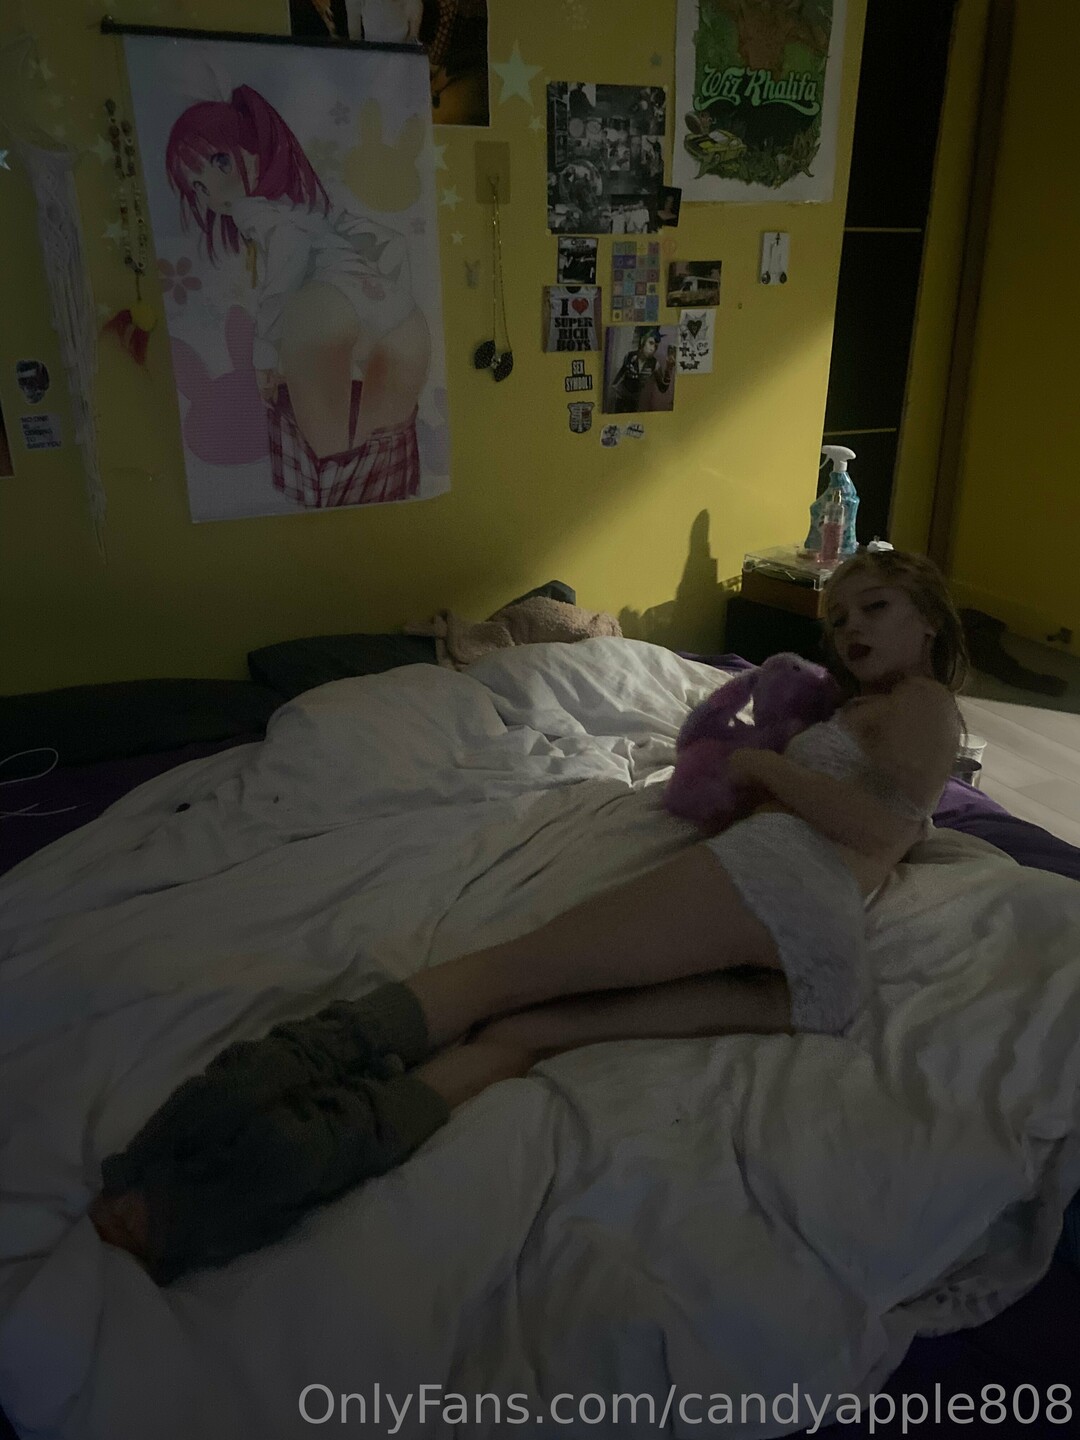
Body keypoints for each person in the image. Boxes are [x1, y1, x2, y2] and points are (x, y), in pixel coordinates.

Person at [89, 550, 969, 1283]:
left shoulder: (924, 702)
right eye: (837, 617)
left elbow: (881, 826)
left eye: (875, 608)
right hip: (813, 962)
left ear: (929, 620)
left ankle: (178, 1179)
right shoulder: (866, 709)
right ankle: (223, 1192)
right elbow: (881, 819)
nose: (850, 628)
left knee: (486, 980)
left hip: (781, 886)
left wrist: (764, 771)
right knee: (520, 1038)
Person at [166, 85, 430, 505]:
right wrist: (384, 300)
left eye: (220, 163)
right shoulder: (307, 206)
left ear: (256, 150)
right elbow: (392, 243)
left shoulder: (257, 212)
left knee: (333, 466)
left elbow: (287, 268)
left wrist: (265, 357)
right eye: (197, 187)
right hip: (403, 321)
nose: (212, 190)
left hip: (321, 309)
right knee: (375, 462)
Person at [608, 327, 675, 412]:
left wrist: (669, 368)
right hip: (620, 399)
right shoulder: (630, 356)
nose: (653, 349)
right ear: (643, 341)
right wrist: (613, 388)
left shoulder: (654, 364)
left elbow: (663, 388)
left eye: (656, 346)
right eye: (650, 343)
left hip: (634, 402)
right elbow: (621, 373)